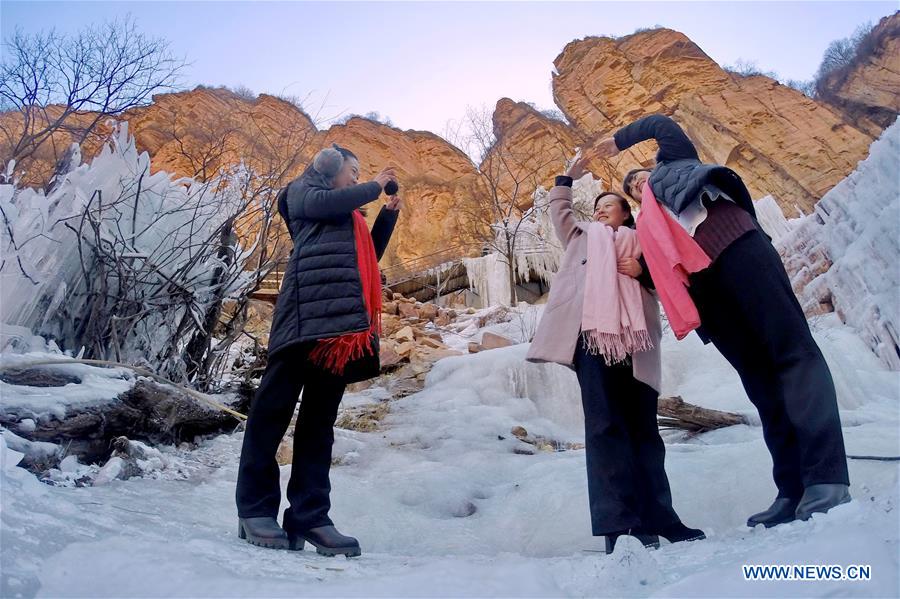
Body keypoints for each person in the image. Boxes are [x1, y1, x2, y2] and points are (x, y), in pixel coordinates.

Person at [594, 114, 850, 527]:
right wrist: (639, 271)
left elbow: (663, 124)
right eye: (631, 189)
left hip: (736, 249)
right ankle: (792, 488)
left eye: (640, 178)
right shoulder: (647, 226)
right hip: (705, 291)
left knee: (792, 355)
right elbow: (661, 276)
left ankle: (827, 479)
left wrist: (618, 141)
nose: (638, 185)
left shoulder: (676, 164)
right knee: (760, 382)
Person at [526, 156, 705, 554]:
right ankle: (620, 527)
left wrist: (641, 272)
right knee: (606, 430)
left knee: (645, 433)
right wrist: (565, 179)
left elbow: (671, 281)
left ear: (627, 212)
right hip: (592, 340)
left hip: (638, 344)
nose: (601, 209)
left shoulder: (644, 241)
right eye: (597, 206)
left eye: (609, 204)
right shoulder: (581, 236)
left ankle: (662, 520)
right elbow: (561, 210)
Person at [235, 144, 401, 556]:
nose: (356, 177)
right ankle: (254, 510)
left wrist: (388, 214)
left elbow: (366, 259)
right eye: (352, 169)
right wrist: (374, 185)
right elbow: (327, 200)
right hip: (301, 321)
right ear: (329, 168)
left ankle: (309, 516)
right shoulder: (302, 194)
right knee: (271, 414)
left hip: (339, 331)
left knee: (319, 426)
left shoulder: (348, 219)